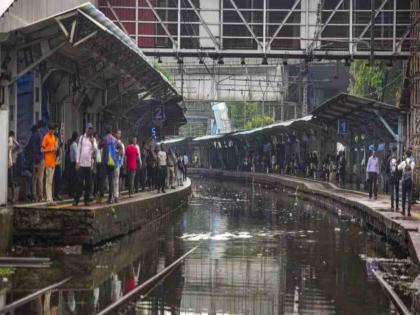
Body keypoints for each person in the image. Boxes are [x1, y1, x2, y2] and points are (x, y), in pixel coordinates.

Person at [74, 123, 97, 206]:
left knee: (88, 183)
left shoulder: (93, 139)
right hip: (81, 164)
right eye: (89, 129)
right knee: (79, 182)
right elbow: (79, 150)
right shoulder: (81, 138)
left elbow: (95, 150)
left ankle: (86, 200)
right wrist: (77, 162)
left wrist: (92, 142)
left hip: (89, 164)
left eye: (91, 129)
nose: (90, 130)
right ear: (86, 129)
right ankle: (76, 199)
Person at [99, 126, 119, 204]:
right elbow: (120, 147)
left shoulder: (104, 139)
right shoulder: (114, 139)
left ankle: (101, 195)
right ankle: (110, 198)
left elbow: (99, 146)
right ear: (111, 131)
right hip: (112, 163)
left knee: (102, 179)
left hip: (105, 162)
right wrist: (117, 156)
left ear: (106, 131)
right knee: (111, 181)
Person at [41, 124, 58, 206]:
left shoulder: (54, 137)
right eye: (52, 130)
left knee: (51, 181)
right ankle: (48, 198)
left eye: (54, 130)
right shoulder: (46, 137)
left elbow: (55, 147)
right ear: (49, 130)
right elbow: (42, 149)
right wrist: (50, 149)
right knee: (48, 181)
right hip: (47, 161)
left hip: (53, 162)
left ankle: (50, 198)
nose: (53, 131)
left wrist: (55, 148)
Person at [398, 149, 415, 216]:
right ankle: (409, 212)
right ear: (410, 155)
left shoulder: (403, 162)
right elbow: (413, 168)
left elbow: (398, 168)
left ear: (406, 155)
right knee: (409, 196)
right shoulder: (412, 163)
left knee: (404, 196)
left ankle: (403, 211)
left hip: (404, 181)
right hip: (409, 181)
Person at [32, 121, 45, 202]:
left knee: (34, 178)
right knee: (40, 178)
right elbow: (42, 148)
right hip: (40, 159)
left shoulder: (33, 135)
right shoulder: (40, 135)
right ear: (41, 127)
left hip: (34, 159)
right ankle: (40, 196)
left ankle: (34, 195)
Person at [8, 131, 19, 203]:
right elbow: (18, 146)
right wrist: (13, 140)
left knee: (11, 181)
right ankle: (12, 197)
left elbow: (17, 147)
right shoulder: (9, 142)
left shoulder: (9, 143)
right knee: (11, 181)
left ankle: (13, 197)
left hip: (9, 164)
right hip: (9, 164)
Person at [113, 129, 125, 203]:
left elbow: (122, 154)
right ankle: (112, 195)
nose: (119, 135)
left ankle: (116, 196)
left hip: (117, 163)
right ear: (115, 134)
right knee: (111, 180)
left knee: (116, 180)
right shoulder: (112, 141)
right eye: (118, 133)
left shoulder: (121, 144)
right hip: (111, 163)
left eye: (120, 134)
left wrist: (121, 163)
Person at [387, 147, 401, 211]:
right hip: (397, 178)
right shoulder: (398, 159)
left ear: (392, 151)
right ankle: (397, 206)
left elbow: (387, 169)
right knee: (397, 192)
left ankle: (392, 205)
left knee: (392, 191)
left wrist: (389, 175)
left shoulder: (389, 159)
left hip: (391, 177)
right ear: (396, 151)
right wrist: (399, 177)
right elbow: (400, 169)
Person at [53, 125, 63, 201]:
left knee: (58, 179)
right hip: (52, 161)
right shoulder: (52, 138)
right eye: (55, 129)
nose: (56, 131)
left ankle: (57, 194)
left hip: (58, 161)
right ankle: (54, 194)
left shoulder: (58, 138)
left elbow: (59, 149)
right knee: (52, 179)